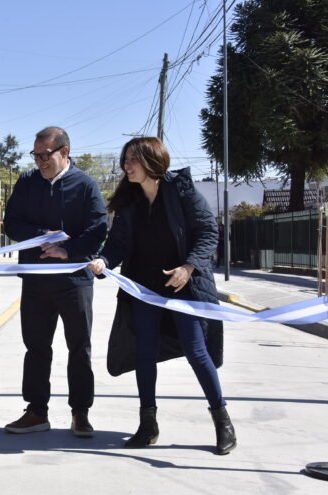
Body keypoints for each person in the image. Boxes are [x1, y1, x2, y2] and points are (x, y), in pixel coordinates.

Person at [88, 136, 236, 455]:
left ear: (151, 160)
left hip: (182, 285)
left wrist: (189, 266)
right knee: (144, 352)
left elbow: (208, 232)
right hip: (144, 289)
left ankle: (223, 421)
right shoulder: (129, 201)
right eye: (125, 159)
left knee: (197, 350)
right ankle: (148, 424)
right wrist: (103, 262)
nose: (126, 165)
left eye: (133, 159)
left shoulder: (181, 190)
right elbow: (117, 244)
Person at [3, 126, 107, 436]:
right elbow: (11, 223)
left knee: (79, 347)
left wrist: (67, 251)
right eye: (35, 156)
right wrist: (41, 236)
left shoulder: (86, 185)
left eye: (45, 155)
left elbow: (98, 229)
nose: (39, 161)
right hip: (36, 279)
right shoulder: (27, 183)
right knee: (36, 347)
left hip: (75, 281)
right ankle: (36, 412)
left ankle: (80, 413)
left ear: (64, 152)